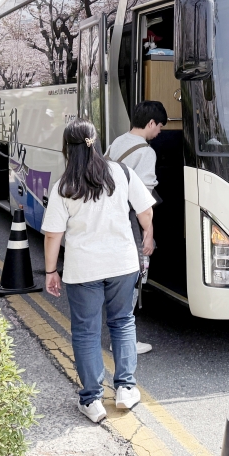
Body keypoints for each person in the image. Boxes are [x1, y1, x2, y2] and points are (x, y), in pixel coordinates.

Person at [42, 120, 155, 424]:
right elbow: (145, 210)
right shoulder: (120, 172)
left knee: (86, 332)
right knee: (122, 322)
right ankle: (126, 389)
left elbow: (53, 234)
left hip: (83, 270)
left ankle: (92, 400)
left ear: (68, 148)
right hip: (122, 264)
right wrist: (148, 234)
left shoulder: (64, 185)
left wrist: (51, 271)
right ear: (97, 141)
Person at [106, 100, 168, 355]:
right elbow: (144, 199)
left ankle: (117, 334)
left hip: (111, 216)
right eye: (160, 127)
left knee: (116, 276)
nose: (160, 132)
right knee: (134, 274)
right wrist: (149, 235)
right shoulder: (146, 152)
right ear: (151, 123)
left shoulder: (118, 141)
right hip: (131, 219)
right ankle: (122, 339)